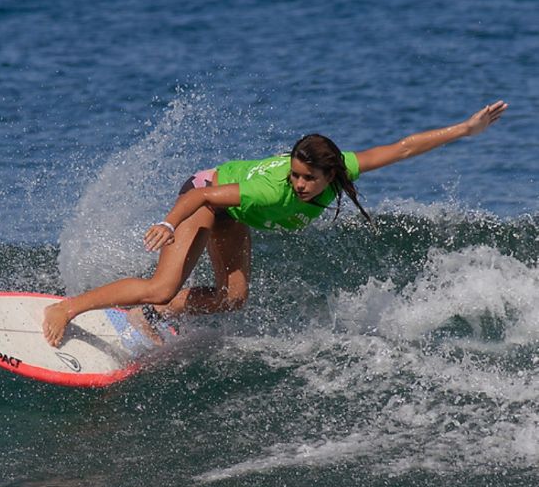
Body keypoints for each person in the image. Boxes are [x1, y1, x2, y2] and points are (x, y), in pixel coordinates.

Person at [43, 100, 508, 348]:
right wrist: (167, 222)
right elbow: (202, 194)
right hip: (204, 197)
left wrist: (465, 130)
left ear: (330, 174)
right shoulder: (274, 189)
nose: (301, 184)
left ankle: (145, 316)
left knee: (233, 300)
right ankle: (68, 308)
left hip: (232, 213)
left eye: (309, 178)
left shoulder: (341, 167)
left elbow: (404, 147)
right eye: (296, 174)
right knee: (162, 284)